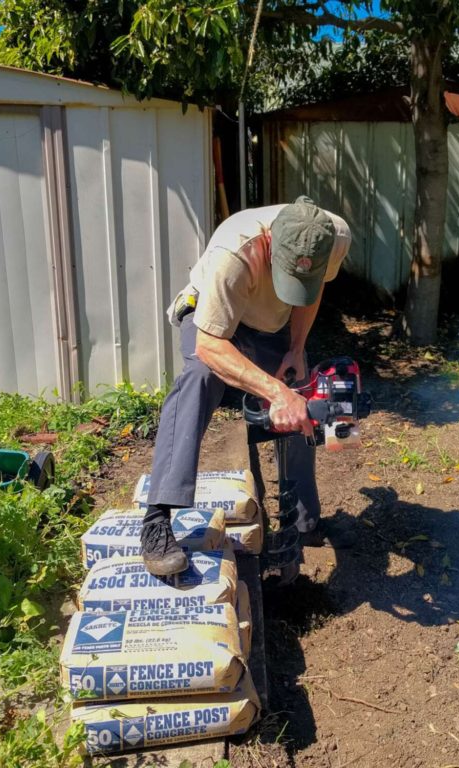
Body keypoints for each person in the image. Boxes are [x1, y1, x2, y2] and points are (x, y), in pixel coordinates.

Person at [139, 196, 352, 576]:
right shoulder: (234, 252)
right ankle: (156, 521)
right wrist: (273, 392)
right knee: (199, 378)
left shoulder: (333, 237)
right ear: (270, 244)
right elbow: (209, 344)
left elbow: (312, 290)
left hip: (272, 324)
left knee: (302, 395)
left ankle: (301, 521)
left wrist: (296, 349)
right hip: (215, 322)